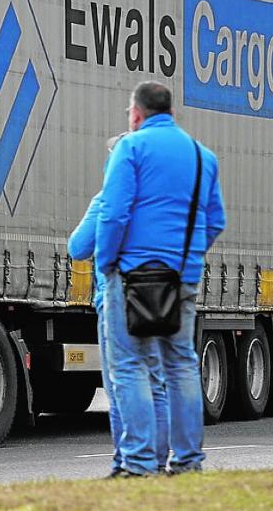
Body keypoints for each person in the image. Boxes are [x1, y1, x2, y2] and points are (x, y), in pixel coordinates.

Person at [96, 81, 225, 476]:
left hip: (132, 277)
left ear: (136, 114)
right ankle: (188, 461)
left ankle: (138, 463)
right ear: (170, 112)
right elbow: (215, 221)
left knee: (130, 366)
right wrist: (187, 260)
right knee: (181, 364)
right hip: (182, 278)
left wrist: (107, 262)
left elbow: (113, 213)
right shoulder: (203, 157)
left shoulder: (130, 149)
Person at [68, 134, 169, 477]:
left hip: (115, 299)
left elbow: (78, 247)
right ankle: (157, 460)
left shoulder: (107, 200)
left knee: (120, 382)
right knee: (155, 380)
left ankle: (127, 460)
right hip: (158, 296)